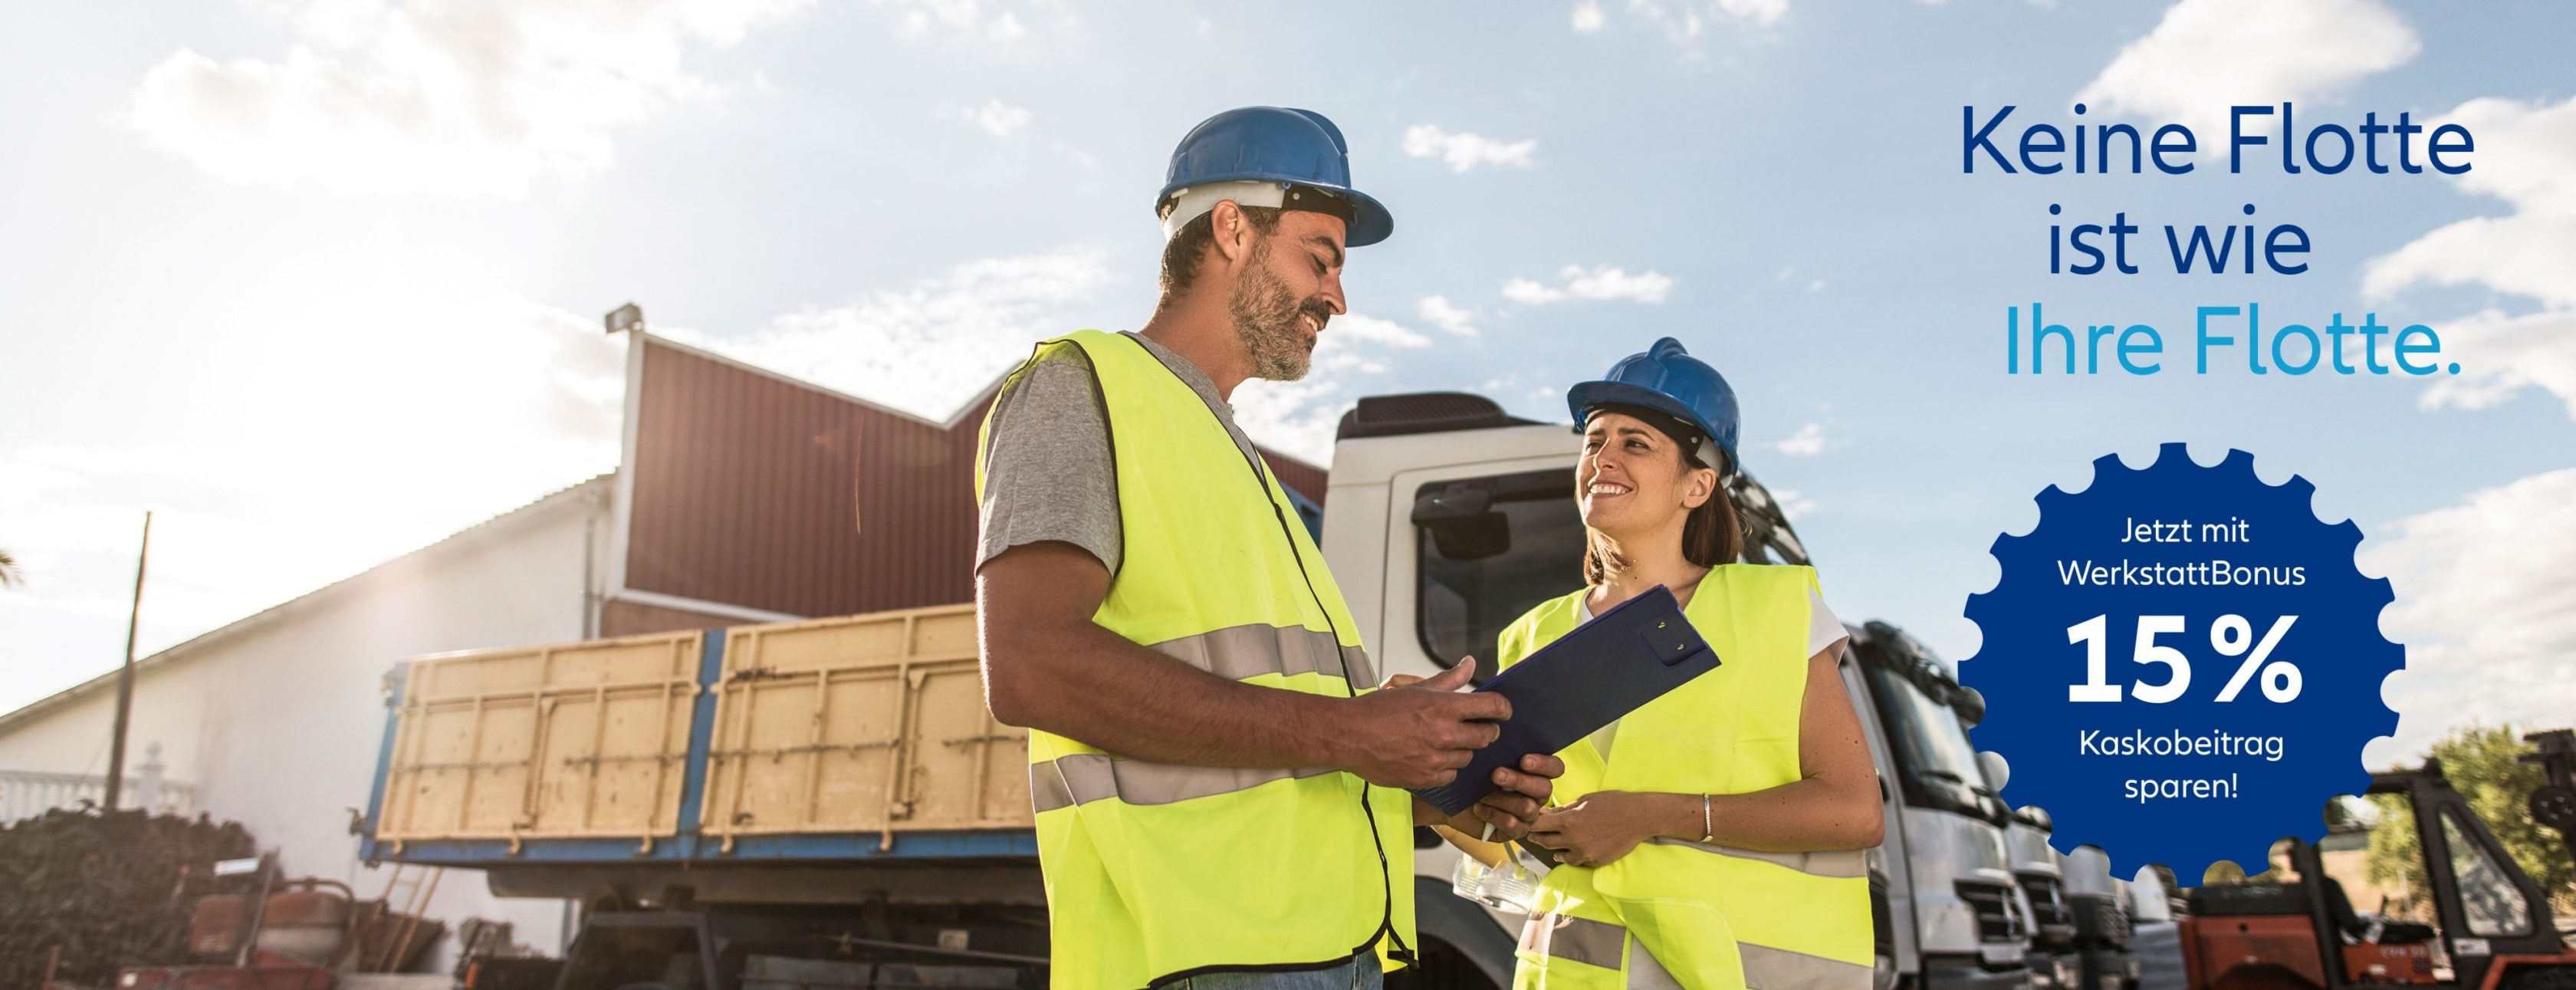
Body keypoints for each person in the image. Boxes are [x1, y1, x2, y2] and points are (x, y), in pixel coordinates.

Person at [974, 106, 1563, 990]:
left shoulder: (1242, 462)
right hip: (1205, 956)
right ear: (1231, 229)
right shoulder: (1080, 385)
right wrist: (1355, 729)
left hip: (1332, 946)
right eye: (1319, 259)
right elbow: (1028, 662)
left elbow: (1296, 734)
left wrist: (1432, 764)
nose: (1337, 297)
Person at [1496, 337, 1883, 990]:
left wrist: (1652, 813)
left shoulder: (1775, 609)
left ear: (1698, 484)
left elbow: (1854, 810)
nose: (1602, 457)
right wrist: (1476, 800)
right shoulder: (1531, 635)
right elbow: (1519, 840)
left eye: (1635, 443)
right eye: (1594, 441)